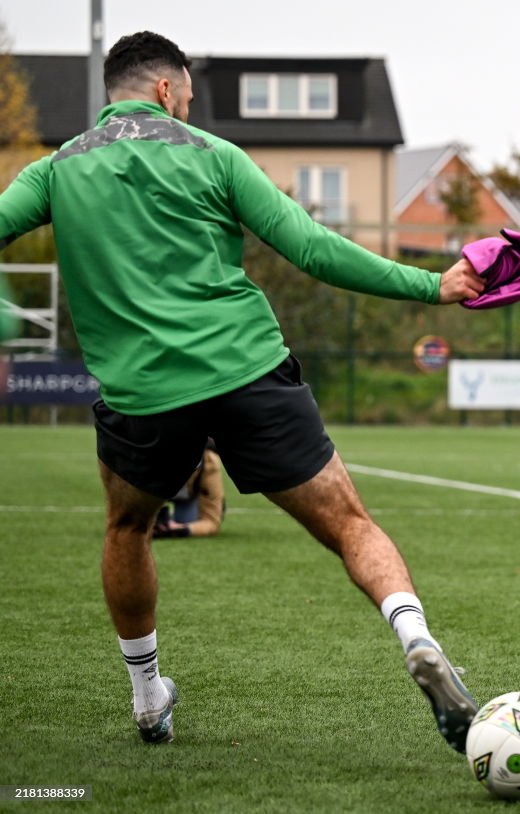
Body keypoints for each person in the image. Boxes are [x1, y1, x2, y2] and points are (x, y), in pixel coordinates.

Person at [0, 31, 486, 749]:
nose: (190, 108)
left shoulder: (55, 170)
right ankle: (415, 636)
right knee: (351, 523)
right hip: (247, 370)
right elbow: (315, 249)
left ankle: (146, 697)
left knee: (128, 528)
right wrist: (431, 284)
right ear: (167, 89)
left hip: (143, 395)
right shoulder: (216, 156)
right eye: (189, 96)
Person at [152, 441, 225, 538]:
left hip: (187, 496)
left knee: (187, 522)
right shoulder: (148, 453)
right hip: (153, 491)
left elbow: (211, 522)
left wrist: (183, 530)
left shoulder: (209, 462)